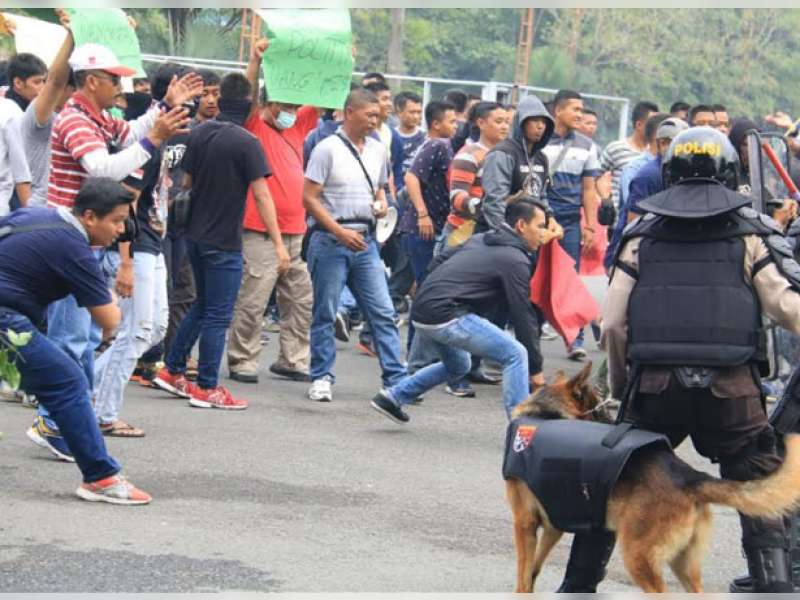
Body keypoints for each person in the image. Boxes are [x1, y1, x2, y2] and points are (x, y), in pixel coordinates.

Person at [599, 126, 800, 593]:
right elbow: (785, 306)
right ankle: (772, 578)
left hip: (653, 389)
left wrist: (618, 388)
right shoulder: (751, 233)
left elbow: (612, 324)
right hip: (733, 391)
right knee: (755, 471)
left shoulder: (640, 235)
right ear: (731, 172)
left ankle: (581, 577)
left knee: (622, 474)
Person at [29, 44, 196, 461]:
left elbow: (135, 131)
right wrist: (157, 134)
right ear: (90, 81)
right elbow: (103, 168)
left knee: (84, 338)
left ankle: (65, 419)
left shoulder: (101, 118)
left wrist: (162, 107)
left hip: (87, 239)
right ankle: (54, 422)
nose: (120, 87)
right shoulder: (73, 119)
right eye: (113, 79)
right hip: (69, 237)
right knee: (71, 338)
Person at [2, 178, 151, 504]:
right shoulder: (75, 249)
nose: (120, 229)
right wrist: (104, 292)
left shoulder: (36, 215)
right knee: (68, 380)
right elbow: (110, 322)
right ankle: (101, 477)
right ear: (89, 217)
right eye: (115, 220)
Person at [153, 72, 288, 410]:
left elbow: (187, 181)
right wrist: (279, 243)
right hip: (224, 241)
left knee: (202, 306)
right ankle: (208, 387)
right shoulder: (247, 143)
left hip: (194, 235)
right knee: (218, 314)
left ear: (221, 99)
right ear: (248, 104)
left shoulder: (198, 134)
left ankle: (172, 369)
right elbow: (262, 196)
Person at [92, 62, 201, 437]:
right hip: (136, 244)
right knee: (136, 331)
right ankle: (102, 414)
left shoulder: (174, 138)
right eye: (187, 93)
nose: (194, 103)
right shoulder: (150, 140)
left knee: (153, 329)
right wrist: (124, 262)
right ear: (168, 94)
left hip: (155, 239)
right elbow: (128, 200)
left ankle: (81, 395)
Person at [371, 195, 549, 424]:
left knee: (460, 365)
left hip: (424, 311)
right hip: (446, 315)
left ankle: (393, 397)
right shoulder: (515, 259)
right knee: (516, 354)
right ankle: (522, 429)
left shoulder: (481, 238)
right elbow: (523, 315)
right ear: (521, 225)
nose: (543, 233)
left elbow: (437, 262)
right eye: (540, 226)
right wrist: (536, 369)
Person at [302, 88, 406, 402]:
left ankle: (396, 379)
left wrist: (380, 205)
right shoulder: (327, 149)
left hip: (367, 240)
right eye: (370, 115)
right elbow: (309, 197)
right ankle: (321, 376)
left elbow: (380, 190)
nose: (375, 121)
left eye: (378, 116)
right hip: (330, 240)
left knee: (383, 312)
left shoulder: (378, 151)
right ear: (349, 112)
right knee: (325, 311)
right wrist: (337, 230)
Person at [227, 38, 316, 384]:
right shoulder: (254, 125)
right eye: (285, 103)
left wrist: (338, 64)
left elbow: (325, 95)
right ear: (268, 103)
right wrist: (255, 61)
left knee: (300, 299)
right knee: (254, 297)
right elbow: (246, 97)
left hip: (295, 231)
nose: (292, 109)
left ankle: (293, 359)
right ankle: (243, 360)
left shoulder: (297, 126)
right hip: (259, 230)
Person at [542, 89, 602, 360]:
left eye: (581, 109)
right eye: (575, 109)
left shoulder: (587, 146)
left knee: (570, 279)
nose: (580, 114)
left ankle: (574, 339)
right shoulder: (538, 140)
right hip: (539, 220)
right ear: (557, 110)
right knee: (533, 276)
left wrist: (589, 226)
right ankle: (529, 335)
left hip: (569, 220)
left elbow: (589, 190)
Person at [480, 95, 554, 233]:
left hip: (530, 234)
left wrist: (550, 218)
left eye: (544, 122)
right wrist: (506, 236)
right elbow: (494, 203)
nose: (540, 126)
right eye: (534, 120)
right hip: (499, 235)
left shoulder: (541, 158)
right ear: (521, 122)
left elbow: (541, 196)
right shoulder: (502, 153)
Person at [599, 100, 658, 210]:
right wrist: (606, 198)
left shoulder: (656, 154)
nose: (656, 128)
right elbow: (595, 176)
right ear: (639, 125)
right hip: (619, 219)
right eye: (652, 124)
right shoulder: (616, 148)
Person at [389, 91, 424, 192]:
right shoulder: (390, 136)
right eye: (412, 112)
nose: (416, 116)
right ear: (399, 112)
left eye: (419, 112)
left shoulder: (426, 137)